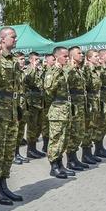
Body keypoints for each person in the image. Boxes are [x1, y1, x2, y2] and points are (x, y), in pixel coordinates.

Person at [0, 27, 23, 205]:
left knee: (8, 151)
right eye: (13, 37)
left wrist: (19, 107)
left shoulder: (14, 60)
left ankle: (4, 185)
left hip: (12, 110)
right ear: (2, 39)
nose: (16, 39)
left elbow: (18, 86)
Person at [44, 47, 74, 178]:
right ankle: (54, 166)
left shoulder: (64, 71)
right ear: (57, 57)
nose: (67, 58)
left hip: (66, 109)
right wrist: (56, 70)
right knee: (55, 139)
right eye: (65, 56)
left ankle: (60, 164)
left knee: (64, 139)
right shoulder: (52, 71)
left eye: (68, 56)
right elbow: (49, 89)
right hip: (57, 110)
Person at [63, 47, 90, 171]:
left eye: (82, 53)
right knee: (73, 133)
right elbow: (65, 82)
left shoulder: (80, 69)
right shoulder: (68, 68)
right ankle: (70, 160)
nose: (82, 55)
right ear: (72, 56)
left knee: (79, 132)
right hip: (73, 105)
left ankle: (74, 158)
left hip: (81, 104)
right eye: (79, 53)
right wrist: (70, 67)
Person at [23, 52, 46, 159]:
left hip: (40, 102)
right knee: (32, 127)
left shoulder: (39, 71)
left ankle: (34, 148)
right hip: (31, 103)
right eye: (36, 59)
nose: (38, 61)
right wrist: (32, 67)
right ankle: (30, 150)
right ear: (31, 59)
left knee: (39, 126)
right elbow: (29, 81)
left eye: (38, 59)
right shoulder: (27, 70)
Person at [80, 50, 101, 165]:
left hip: (95, 101)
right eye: (96, 56)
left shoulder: (96, 70)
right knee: (87, 127)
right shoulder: (86, 70)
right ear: (88, 58)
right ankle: (85, 154)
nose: (98, 58)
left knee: (93, 127)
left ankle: (89, 153)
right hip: (89, 102)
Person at [94, 49, 106, 158]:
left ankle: (101, 147)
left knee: (105, 123)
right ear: (101, 57)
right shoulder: (99, 69)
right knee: (100, 124)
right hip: (101, 99)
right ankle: (98, 148)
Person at [13, 51, 28, 165]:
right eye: (21, 59)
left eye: (23, 59)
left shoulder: (22, 72)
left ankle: (17, 152)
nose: (23, 61)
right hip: (15, 103)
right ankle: (12, 154)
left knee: (20, 131)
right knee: (15, 130)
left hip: (23, 103)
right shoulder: (14, 72)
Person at [40, 54, 56, 153]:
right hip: (45, 101)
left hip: (53, 101)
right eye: (53, 60)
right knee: (45, 123)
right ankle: (45, 145)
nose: (54, 61)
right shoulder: (43, 71)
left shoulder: (56, 71)